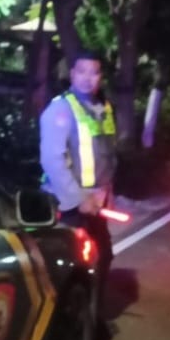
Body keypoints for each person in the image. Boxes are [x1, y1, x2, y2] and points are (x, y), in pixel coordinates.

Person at [39, 50, 118, 309]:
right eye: (82, 71)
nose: (87, 78)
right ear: (72, 74)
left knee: (102, 257)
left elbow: (107, 157)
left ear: (101, 77)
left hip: (96, 203)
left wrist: (108, 194)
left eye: (94, 72)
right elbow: (52, 160)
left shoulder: (103, 108)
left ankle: (90, 315)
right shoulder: (60, 109)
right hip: (68, 205)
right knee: (67, 265)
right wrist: (78, 198)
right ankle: (64, 320)